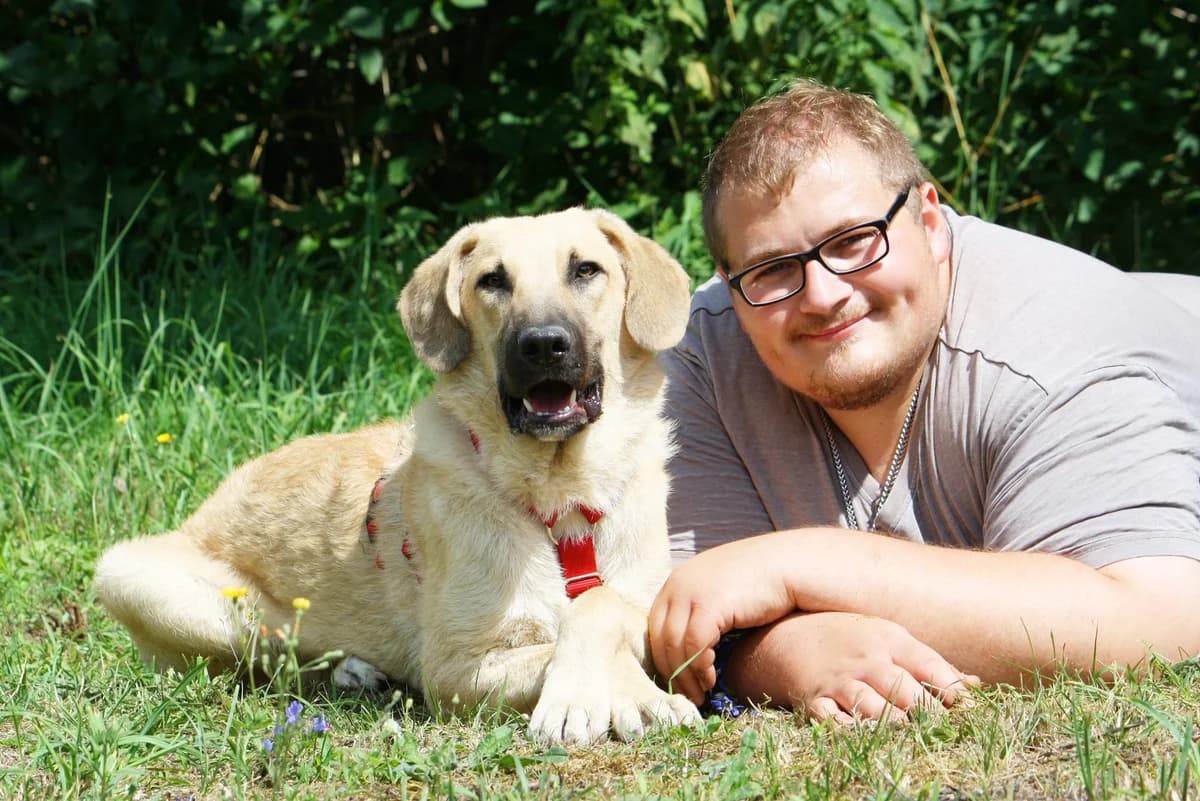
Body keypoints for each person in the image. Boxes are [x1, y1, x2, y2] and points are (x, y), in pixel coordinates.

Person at [647, 78, 1200, 724]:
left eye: (854, 239)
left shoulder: (1057, 349)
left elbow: (1164, 621)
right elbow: (692, 610)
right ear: (730, 286)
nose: (821, 294)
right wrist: (790, 650)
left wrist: (799, 563)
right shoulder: (697, 357)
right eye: (772, 270)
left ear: (932, 223)